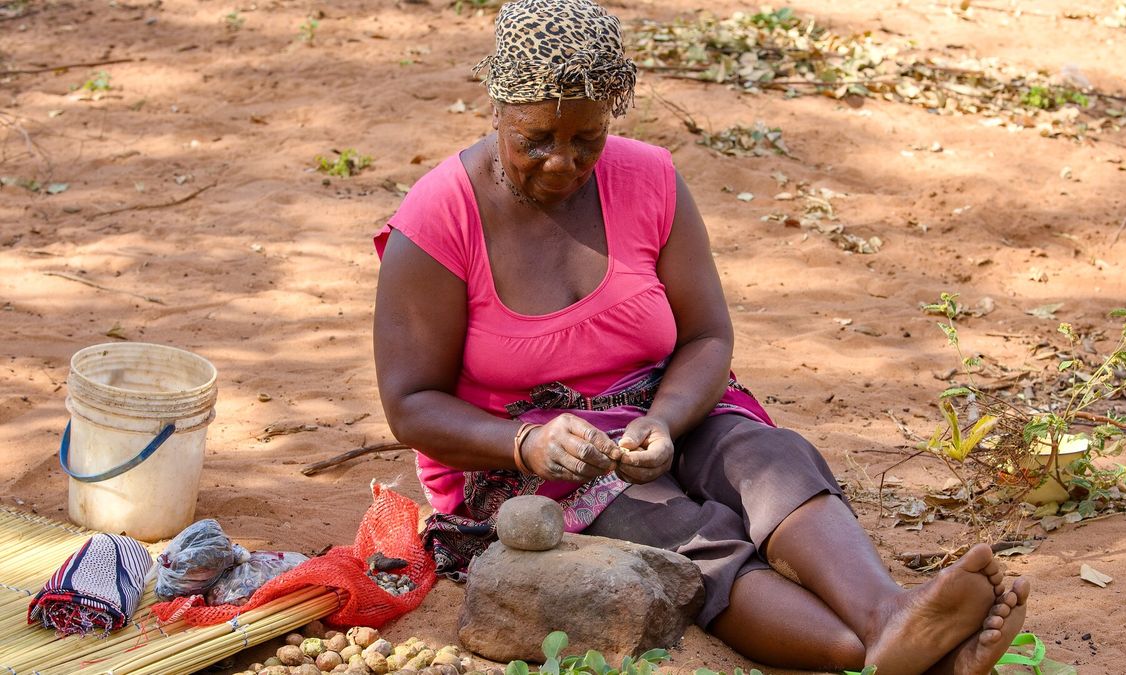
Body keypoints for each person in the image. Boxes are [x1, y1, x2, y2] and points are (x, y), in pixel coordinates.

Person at [372, 0, 1031, 672]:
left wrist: (664, 419)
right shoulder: (440, 216)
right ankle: (881, 654)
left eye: (587, 139)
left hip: (667, 408)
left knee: (766, 456)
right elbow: (409, 404)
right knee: (676, 531)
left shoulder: (650, 178)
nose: (563, 163)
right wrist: (529, 443)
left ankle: (889, 614)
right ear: (497, 109)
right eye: (535, 139)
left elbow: (708, 335)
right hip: (520, 461)